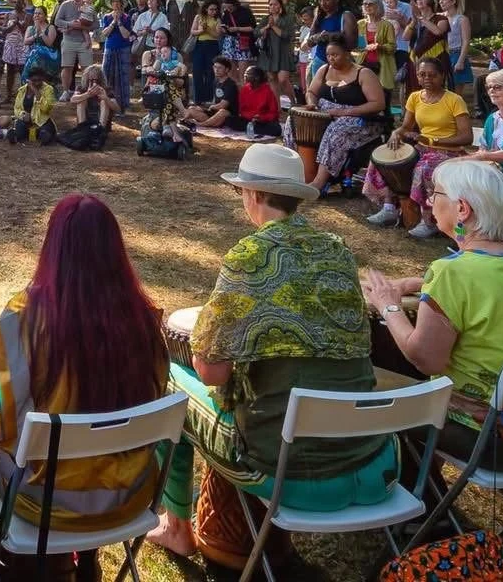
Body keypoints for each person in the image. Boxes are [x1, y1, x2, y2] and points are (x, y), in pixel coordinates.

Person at [148, 143, 396, 570]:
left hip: (283, 472)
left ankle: (176, 527)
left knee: (171, 378)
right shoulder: (337, 250)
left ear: (252, 194)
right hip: (370, 458)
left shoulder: (248, 257)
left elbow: (210, 371)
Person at [0, 195, 169, 579]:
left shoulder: (25, 315)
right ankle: (87, 562)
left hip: (41, 500)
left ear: (52, 248)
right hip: (128, 493)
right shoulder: (143, 319)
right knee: (94, 428)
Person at [361, 160, 503, 472]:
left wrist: (388, 306)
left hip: (497, 443)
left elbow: (426, 360)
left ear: (462, 209)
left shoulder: (451, 272)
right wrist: (421, 283)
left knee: (382, 399)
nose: (429, 200)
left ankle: (423, 497)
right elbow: (493, 284)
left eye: (436, 194)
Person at [362, 57, 472, 239]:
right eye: (422, 75)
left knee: (423, 168)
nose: (427, 78)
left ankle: (429, 221)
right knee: (382, 159)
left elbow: (467, 137)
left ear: (442, 76)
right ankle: (389, 207)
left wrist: (433, 140)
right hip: (422, 148)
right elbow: (406, 126)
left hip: (449, 152)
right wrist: (396, 133)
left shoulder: (454, 100)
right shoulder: (415, 97)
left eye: (432, 75)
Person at [299, 35, 387, 198]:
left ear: (347, 54)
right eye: (328, 55)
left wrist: (343, 112)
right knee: (293, 122)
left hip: (361, 120)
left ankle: (319, 182)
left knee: (336, 131)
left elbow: (378, 104)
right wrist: (311, 104)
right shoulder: (324, 70)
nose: (331, 58)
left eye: (335, 55)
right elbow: (311, 92)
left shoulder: (363, 73)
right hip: (327, 115)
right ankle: (300, 172)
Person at [53, 0, 97, 100]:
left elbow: (96, 25)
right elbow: (57, 21)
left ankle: (87, 91)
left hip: (84, 42)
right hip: (68, 41)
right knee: (67, 67)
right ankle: (66, 91)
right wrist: (70, 24)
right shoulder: (65, 5)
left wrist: (82, 27)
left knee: (87, 69)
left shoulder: (89, 6)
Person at [354, 0, 398, 109]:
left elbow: (392, 47)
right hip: (363, 64)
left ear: (378, 6)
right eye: (365, 4)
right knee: (363, 96)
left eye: (370, 4)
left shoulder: (387, 25)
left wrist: (380, 47)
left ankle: (386, 118)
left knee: (384, 96)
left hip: (382, 66)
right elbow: (356, 47)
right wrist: (363, 48)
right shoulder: (359, 24)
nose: (367, 6)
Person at [306, 0, 359, 81]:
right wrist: (317, 37)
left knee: (340, 89)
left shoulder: (346, 15)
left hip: (340, 63)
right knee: (319, 90)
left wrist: (331, 36)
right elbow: (309, 43)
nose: (323, 3)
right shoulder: (319, 16)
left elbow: (352, 44)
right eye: (320, 0)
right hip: (320, 61)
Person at [180, 53, 241, 133]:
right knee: (191, 109)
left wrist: (209, 107)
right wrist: (203, 108)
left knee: (222, 112)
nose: (216, 70)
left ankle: (201, 124)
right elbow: (214, 101)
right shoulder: (216, 81)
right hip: (215, 113)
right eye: (215, 67)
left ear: (227, 69)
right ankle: (205, 122)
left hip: (227, 115)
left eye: (219, 68)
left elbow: (223, 105)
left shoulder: (230, 84)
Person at [98, 0, 138, 113]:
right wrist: (113, 22)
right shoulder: (106, 17)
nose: (115, 4)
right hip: (110, 48)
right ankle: (106, 101)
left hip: (123, 49)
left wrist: (119, 22)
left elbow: (126, 35)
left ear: (121, 4)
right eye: (113, 1)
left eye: (117, 2)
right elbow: (105, 33)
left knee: (123, 76)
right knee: (107, 74)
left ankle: (123, 103)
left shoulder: (126, 17)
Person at [65, 64, 118, 150]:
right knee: (81, 101)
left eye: (96, 80)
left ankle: (100, 133)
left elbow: (117, 108)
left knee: (104, 102)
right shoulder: (82, 88)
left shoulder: (106, 90)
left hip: (102, 125)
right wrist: (87, 94)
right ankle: (82, 130)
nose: (94, 83)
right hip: (86, 124)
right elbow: (73, 99)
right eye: (91, 80)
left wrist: (105, 98)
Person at [440, 0, 474, 109]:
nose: (441, 2)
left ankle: (456, 113)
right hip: (442, 54)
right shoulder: (439, 17)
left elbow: (466, 41)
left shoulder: (461, 19)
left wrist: (460, 61)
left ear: (453, 1)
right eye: (440, 0)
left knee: (455, 91)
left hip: (456, 54)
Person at [187, 0, 223, 105]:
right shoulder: (199, 17)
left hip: (212, 46)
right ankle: (198, 98)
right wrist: (201, 30)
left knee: (210, 72)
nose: (213, 12)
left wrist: (208, 29)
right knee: (197, 71)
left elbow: (218, 35)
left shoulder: (217, 19)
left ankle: (208, 98)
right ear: (206, 9)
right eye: (211, 9)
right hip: (199, 45)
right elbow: (192, 31)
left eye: (215, 9)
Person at [11, 66, 59, 145]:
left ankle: (42, 135)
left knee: (46, 133)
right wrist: (22, 115)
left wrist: (36, 92)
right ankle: (17, 135)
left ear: (43, 79)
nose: (37, 83)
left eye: (39, 80)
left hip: (41, 121)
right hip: (26, 121)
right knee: (19, 131)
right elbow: (16, 108)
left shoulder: (48, 89)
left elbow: (46, 109)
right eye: (34, 80)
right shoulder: (22, 90)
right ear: (29, 79)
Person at [239, 61, 282, 140]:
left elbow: (273, 113)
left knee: (276, 129)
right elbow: (242, 110)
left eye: (248, 74)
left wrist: (261, 118)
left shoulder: (267, 91)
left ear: (257, 77)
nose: (245, 75)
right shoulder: (244, 89)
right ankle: (252, 128)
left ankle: (252, 128)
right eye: (245, 73)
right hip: (248, 119)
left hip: (263, 121)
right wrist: (251, 117)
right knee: (230, 120)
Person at [0, 0, 30, 104]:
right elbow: (3, 30)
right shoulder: (8, 14)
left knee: (22, 70)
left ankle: (24, 95)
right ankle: (8, 95)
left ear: (23, 4)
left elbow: (26, 30)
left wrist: (18, 23)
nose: (17, 4)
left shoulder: (27, 16)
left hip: (22, 45)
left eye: (19, 2)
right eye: (15, 2)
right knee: (10, 70)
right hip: (10, 44)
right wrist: (12, 25)